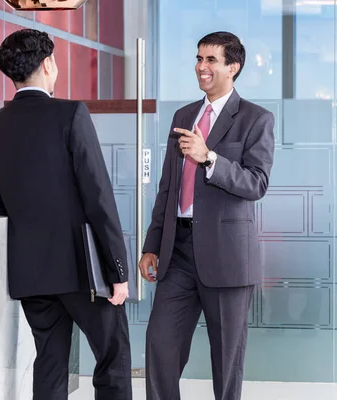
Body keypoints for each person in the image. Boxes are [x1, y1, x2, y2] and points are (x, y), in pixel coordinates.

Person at [0, 29, 132, 400]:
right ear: (48, 65)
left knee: (49, 361)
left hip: (30, 271)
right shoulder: (70, 113)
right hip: (84, 270)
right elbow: (98, 197)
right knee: (113, 358)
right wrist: (118, 271)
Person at [139, 31, 275, 400]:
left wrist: (210, 158)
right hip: (178, 250)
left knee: (227, 360)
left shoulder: (256, 119)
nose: (201, 67)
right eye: (199, 58)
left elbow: (256, 183)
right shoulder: (184, 115)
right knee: (160, 347)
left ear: (234, 67)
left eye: (211, 60)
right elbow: (167, 189)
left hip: (227, 255)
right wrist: (152, 244)